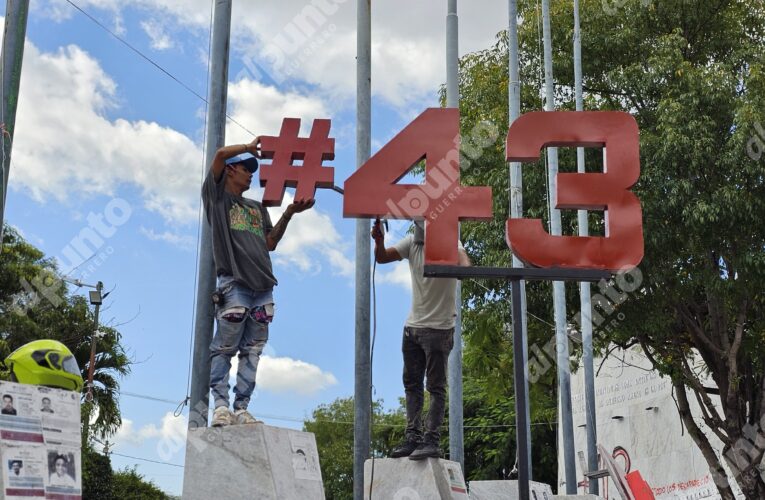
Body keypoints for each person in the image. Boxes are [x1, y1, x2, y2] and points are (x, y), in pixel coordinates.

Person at [203, 139, 314, 427]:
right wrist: (247, 148)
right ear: (229, 172)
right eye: (244, 168)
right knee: (224, 347)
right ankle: (221, 406)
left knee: (252, 350)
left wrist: (289, 213)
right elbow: (217, 155)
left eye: (251, 169)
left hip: (263, 288)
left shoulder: (256, 206)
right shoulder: (217, 199)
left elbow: (270, 243)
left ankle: (241, 408)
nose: (250, 174)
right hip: (234, 283)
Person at [372, 220, 471, 460]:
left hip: (439, 329)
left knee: (435, 387)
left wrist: (456, 251)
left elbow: (465, 268)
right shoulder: (412, 243)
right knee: (412, 385)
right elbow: (382, 258)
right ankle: (412, 438)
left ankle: (431, 440)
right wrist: (379, 241)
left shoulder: (451, 244)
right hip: (413, 328)